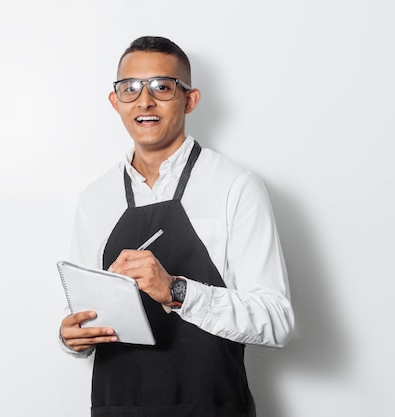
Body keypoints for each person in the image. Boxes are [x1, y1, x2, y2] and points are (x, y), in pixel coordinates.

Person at [59, 35, 294, 417]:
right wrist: (73, 337)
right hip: (117, 407)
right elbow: (88, 316)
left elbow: (276, 320)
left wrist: (175, 290)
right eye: (130, 88)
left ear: (190, 99)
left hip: (213, 407)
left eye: (162, 87)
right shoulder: (94, 199)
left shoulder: (235, 187)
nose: (145, 101)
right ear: (115, 102)